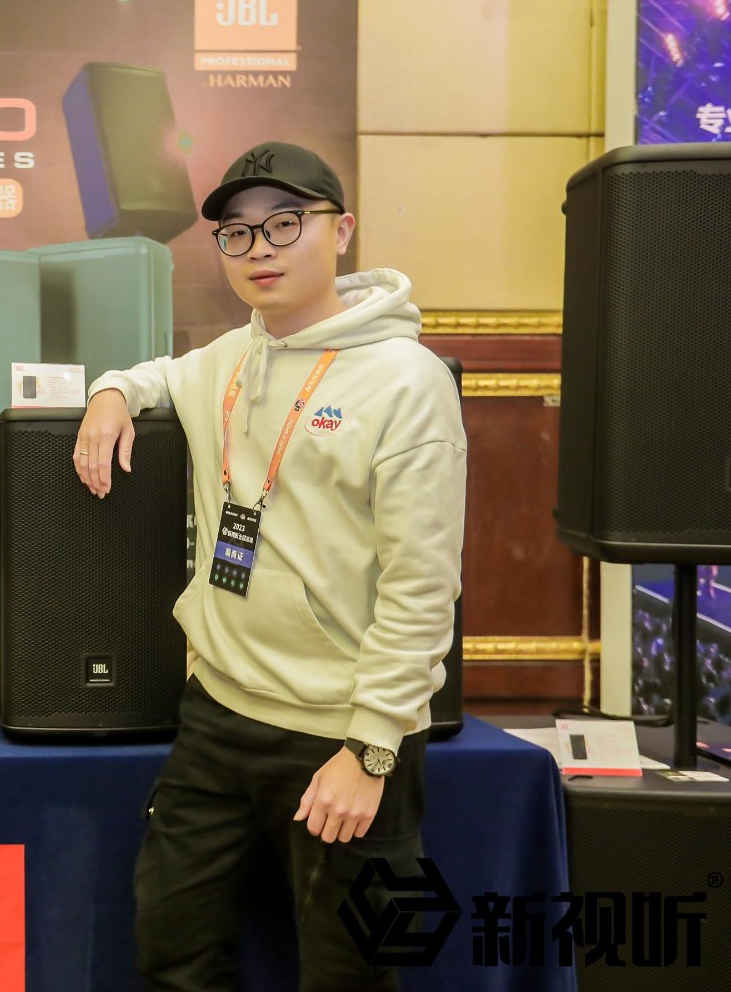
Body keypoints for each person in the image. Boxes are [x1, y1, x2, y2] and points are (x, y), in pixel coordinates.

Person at [74, 142, 466, 990]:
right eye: (237, 233)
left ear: (342, 230)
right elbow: (154, 375)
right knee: (172, 949)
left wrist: (371, 750)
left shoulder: (408, 382)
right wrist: (111, 394)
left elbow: (423, 585)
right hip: (219, 714)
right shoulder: (228, 358)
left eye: (286, 223)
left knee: (349, 974)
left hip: (343, 729)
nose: (260, 249)